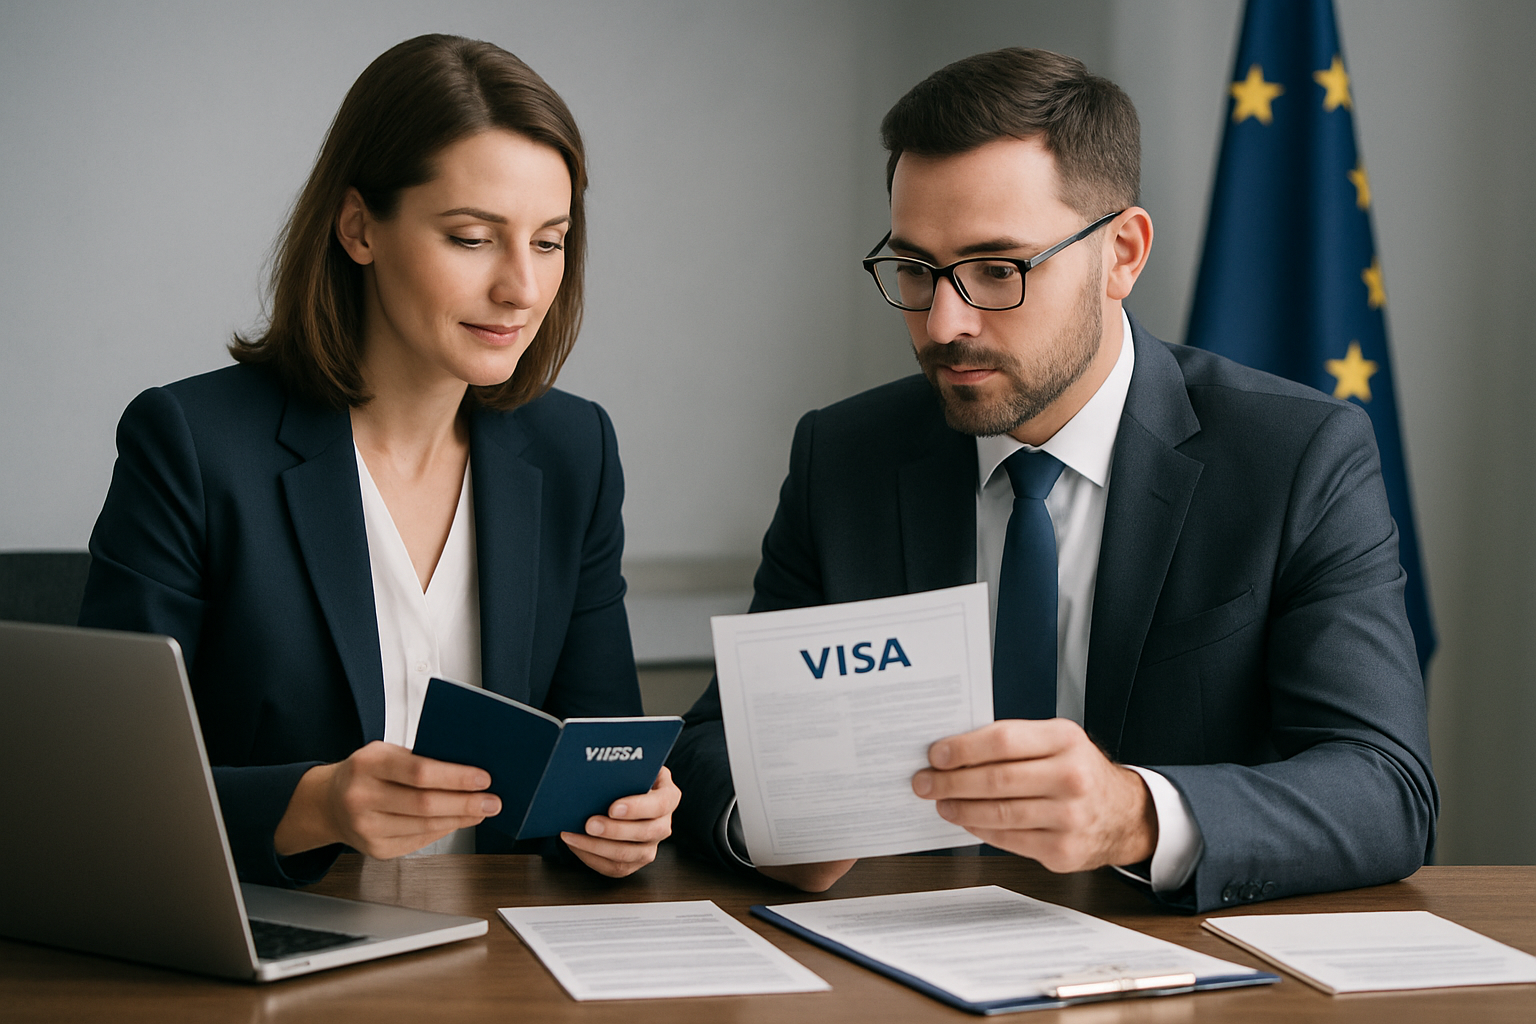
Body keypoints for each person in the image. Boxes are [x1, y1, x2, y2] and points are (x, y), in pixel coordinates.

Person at [669, 47, 1436, 913]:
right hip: (900, 951)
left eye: (999, 270)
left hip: (1180, 963)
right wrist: (773, 825)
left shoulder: (1297, 456)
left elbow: (1385, 790)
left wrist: (1136, 816)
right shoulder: (844, 456)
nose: (944, 322)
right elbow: (712, 743)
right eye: (916, 270)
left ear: (1122, 254)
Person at [78, 34, 680, 888]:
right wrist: (316, 805)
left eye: (549, 241)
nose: (522, 287)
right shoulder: (191, 443)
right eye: (473, 238)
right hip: (269, 955)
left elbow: (599, 752)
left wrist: (625, 819)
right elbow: (104, 797)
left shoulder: (574, 450)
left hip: (500, 959)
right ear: (359, 228)